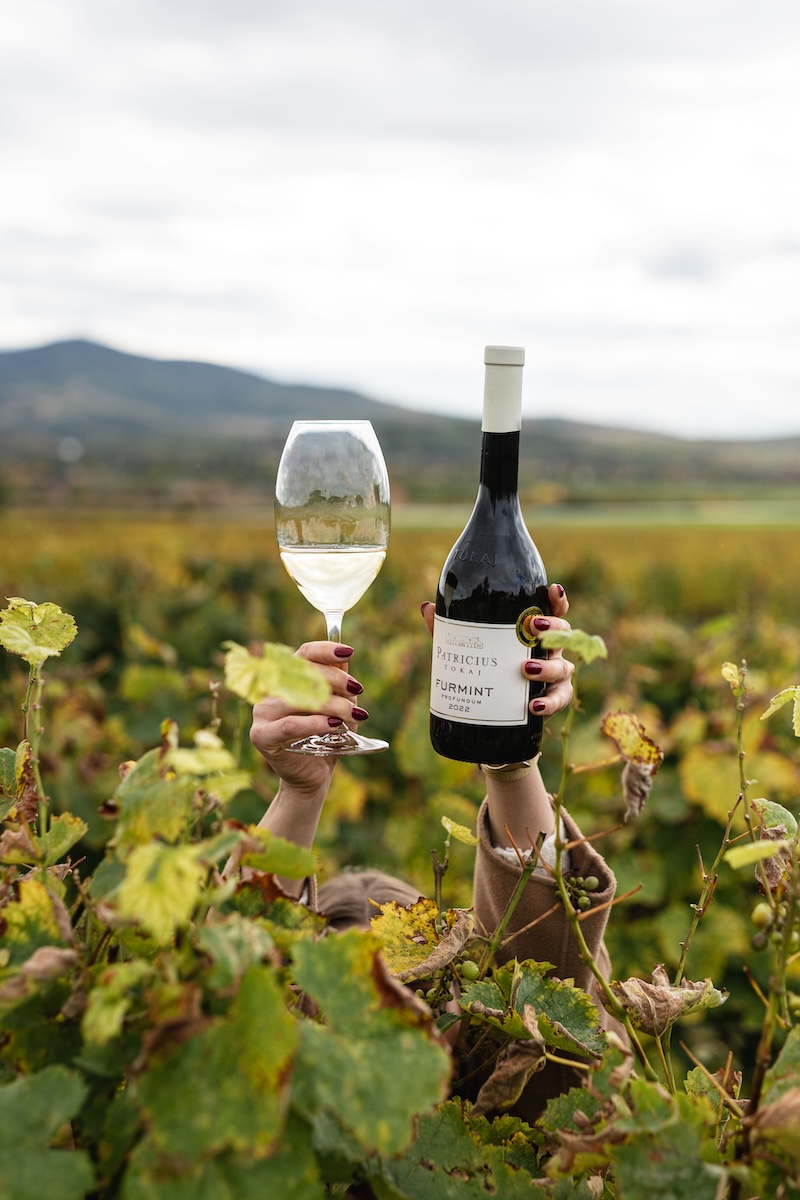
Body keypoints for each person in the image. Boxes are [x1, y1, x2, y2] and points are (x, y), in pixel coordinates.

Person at [249, 583, 625, 1120]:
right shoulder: (281, 1112)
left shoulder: (504, 1083)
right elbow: (234, 994)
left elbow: (544, 967)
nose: (396, 1013)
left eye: (418, 979)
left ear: (464, 1001)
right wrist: (298, 793)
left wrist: (509, 749)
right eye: (356, 991)